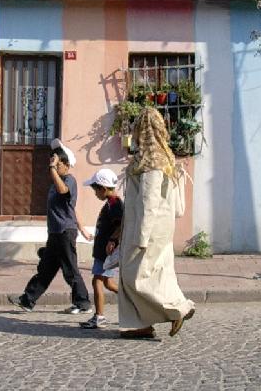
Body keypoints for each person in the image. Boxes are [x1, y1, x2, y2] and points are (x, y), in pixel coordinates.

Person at [118, 107, 195, 339]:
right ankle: (140, 324)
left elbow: (149, 201)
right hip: (161, 228)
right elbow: (178, 208)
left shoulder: (151, 162)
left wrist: (140, 237)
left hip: (146, 228)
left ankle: (177, 309)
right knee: (159, 275)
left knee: (133, 277)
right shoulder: (166, 158)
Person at [8, 140, 93, 314]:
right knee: (45, 270)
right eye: (52, 161)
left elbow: (65, 193)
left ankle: (83, 303)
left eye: (57, 162)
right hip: (55, 233)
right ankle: (27, 300)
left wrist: (53, 169)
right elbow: (72, 208)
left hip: (64, 232)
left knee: (70, 270)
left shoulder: (69, 180)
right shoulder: (55, 183)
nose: (53, 165)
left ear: (66, 165)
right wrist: (82, 227)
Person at [79, 168, 123, 329]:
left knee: (96, 280)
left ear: (103, 188)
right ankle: (132, 302)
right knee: (109, 284)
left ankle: (99, 316)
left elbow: (120, 224)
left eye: (95, 189)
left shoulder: (114, 203)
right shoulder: (111, 203)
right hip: (102, 251)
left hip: (106, 252)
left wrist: (112, 240)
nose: (94, 193)